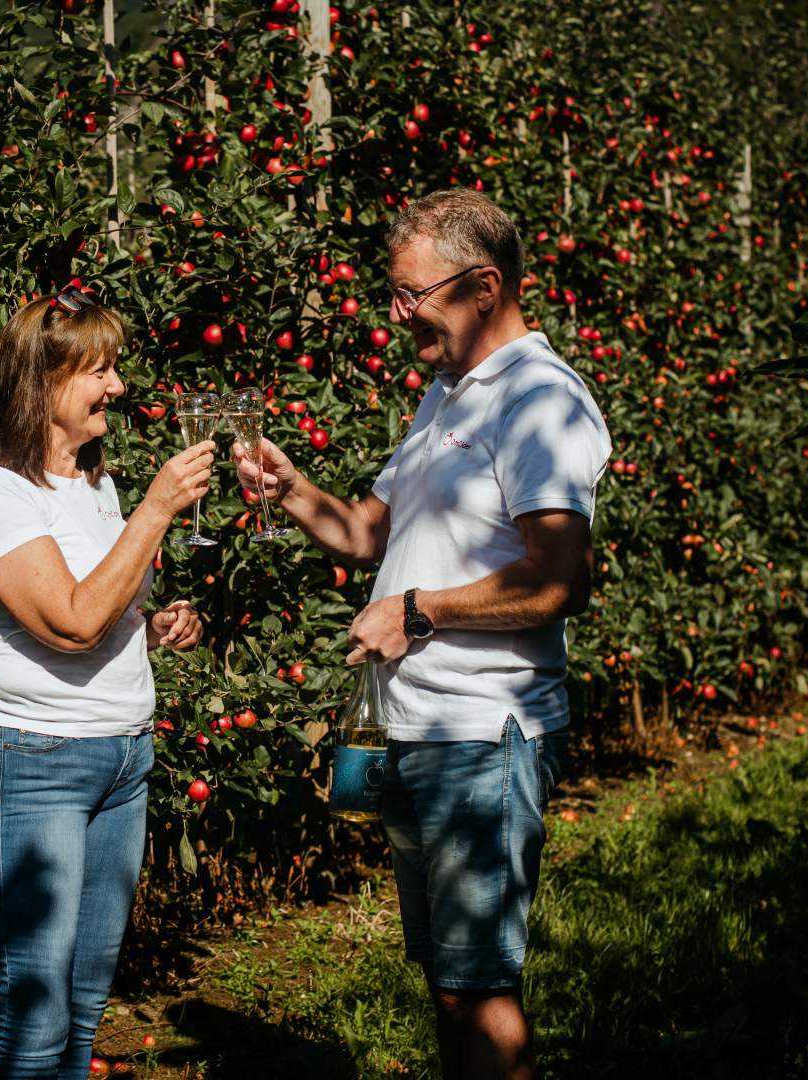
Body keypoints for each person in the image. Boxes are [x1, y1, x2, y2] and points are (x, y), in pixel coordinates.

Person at [236, 188, 610, 1080]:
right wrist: (289, 490)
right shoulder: (449, 395)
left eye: (413, 294)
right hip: (418, 728)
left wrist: (418, 611)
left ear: (484, 286)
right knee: (449, 981)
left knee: (481, 987)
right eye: (394, 294)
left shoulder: (538, 402)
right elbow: (370, 531)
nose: (396, 315)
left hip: (485, 733)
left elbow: (560, 579)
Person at [0, 286, 215, 1079]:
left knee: (86, 1008)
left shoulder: (95, 485)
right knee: (37, 1013)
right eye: (99, 371)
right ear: (43, 382)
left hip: (123, 757)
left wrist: (156, 619)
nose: (118, 388)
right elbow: (68, 621)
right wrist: (160, 509)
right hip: (35, 760)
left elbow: (105, 603)